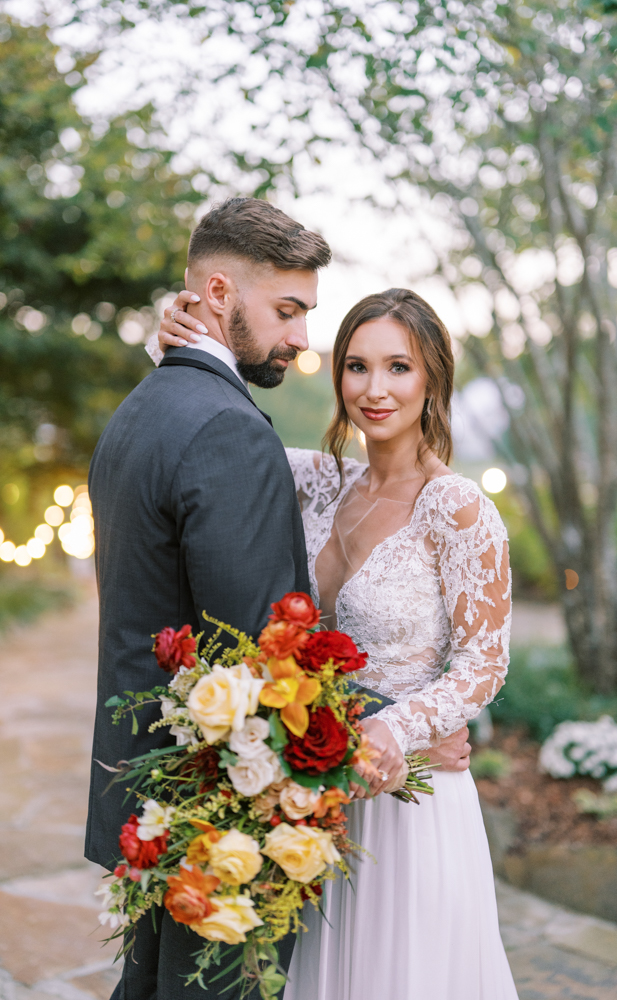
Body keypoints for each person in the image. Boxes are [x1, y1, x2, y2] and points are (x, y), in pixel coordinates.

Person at [157, 285, 517, 998]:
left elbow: (483, 663)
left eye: (398, 368)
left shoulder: (458, 507)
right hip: (317, 795)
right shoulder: (317, 480)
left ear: (432, 379)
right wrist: (175, 337)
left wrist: (395, 729)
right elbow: (221, 433)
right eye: (356, 367)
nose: (373, 389)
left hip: (408, 800)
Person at [85, 197, 328, 1000]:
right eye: (286, 311)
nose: (300, 338)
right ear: (218, 294)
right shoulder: (226, 428)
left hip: (149, 796)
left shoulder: (139, 412)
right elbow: (260, 658)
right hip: (220, 817)